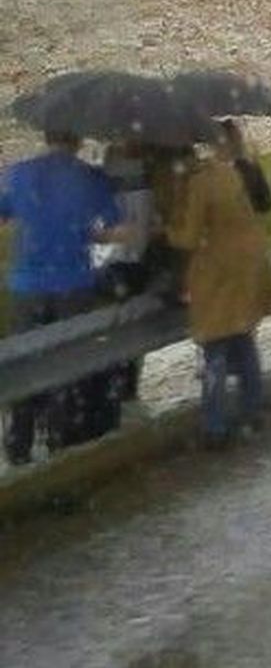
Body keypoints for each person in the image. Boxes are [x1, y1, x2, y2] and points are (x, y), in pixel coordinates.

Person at [0, 130, 130, 466]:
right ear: (77, 139)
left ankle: (18, 449)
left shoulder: (17, 174)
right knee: (67, 373)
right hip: (73, 285)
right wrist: (81, 231)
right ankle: (59, 452)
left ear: (46, 135)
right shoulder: (90, 177)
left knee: (25, 368)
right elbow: (115, 228)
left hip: (26, 286)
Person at [164, 145, 271, 449]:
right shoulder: (227, 173)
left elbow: (189, 237)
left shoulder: (197, 183)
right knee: (243, 338)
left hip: (219, 271)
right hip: (249, 263)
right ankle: (252, 409)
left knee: (215, 346)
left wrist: (166, 229)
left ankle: (214, 426)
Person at [216, 119, 271, 214]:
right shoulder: (254, 201)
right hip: (243, 174)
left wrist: (256, 163)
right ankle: (225, 126)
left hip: (246, 173)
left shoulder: (262, 194)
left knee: (237, 150)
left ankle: (226, 126)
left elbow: (260, 177)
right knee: (236, 151)